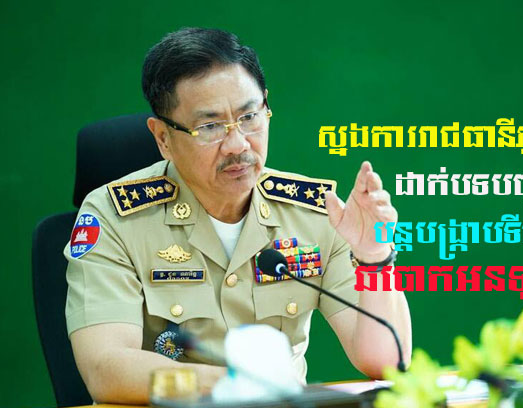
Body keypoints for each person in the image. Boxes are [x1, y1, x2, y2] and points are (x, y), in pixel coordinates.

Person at [65, 27, 412, 404]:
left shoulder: (315, 211)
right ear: (163, 137)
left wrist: (374, 257)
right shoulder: (113, 218)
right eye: (209, 126)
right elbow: (105, 368)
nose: (237, 144)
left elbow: (384, 362)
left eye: (249, 117)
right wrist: (235, 384)